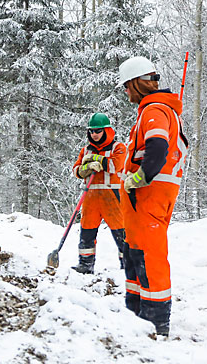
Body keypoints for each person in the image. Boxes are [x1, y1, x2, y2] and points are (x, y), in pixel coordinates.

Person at [117, 56, 189, 336]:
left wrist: (141, 176)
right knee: (136, 251)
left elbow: (157, 148)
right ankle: (136, 311)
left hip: (149, 195)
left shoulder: (154, 110)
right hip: (145, 198)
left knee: (149, 255)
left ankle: (155, 321)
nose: (126, 93)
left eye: (126, 86)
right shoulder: (156, 110)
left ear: (137, 83)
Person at [71, 112, 127, 274]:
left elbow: (115, 166)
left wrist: (97, 160)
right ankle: (85, 264)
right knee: (87, 230)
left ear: (107, 130)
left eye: (98, 131)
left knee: (121, 231)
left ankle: (127, 264)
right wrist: (85, 168)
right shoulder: (85, 150)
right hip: (90, 197)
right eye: (92, 131)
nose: (94, 135)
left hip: (113, 196)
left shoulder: (118, 148)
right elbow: (76, 169)